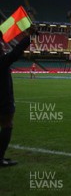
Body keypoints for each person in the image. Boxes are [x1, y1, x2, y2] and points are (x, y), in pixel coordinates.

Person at [0, 26, 35, 167]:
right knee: (7, 124)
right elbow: (15, 53)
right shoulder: (1, 61)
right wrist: (29, 37)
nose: (2, 46)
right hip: (3, 99)